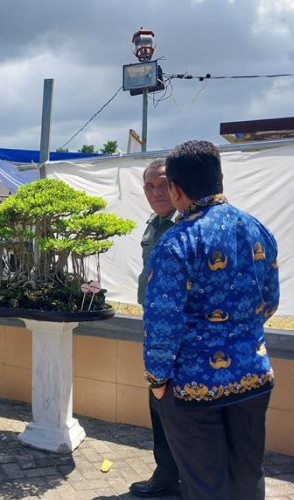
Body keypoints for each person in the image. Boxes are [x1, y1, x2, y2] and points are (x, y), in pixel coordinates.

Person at [143, 140, 280, 500]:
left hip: (193, 386)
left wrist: (157, 381)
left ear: (174, 188)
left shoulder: (176, 243)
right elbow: (270, 302)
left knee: (205, 487)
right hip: (253, 375)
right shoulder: (258, 230)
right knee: (248, 478)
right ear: (220, 176)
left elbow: (163, 323)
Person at [129, 159, 181, 499]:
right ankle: (166, 474)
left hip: (181, 333)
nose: (156, 192)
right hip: (155, 327)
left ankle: (186, 479)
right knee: (158, 404)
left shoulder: (187, 224)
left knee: (179, 408)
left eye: (162, 184)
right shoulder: (155, 223)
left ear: (176, 186)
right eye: (149, 186)